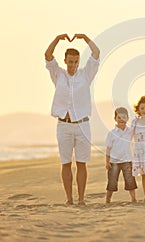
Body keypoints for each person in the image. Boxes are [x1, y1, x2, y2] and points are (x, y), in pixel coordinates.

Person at [45, 33, 100, 206]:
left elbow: (96, 53)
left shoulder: (86, 75)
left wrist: (85, 38)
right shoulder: (58, 75)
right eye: (70, 61)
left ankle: (81, 198)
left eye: (76, 61)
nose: (73, 65)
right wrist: (56, 39)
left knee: (82, 163)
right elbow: (47, 56)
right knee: (66, 163)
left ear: (78, 61)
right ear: (65, 60)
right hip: (64, 126)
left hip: (83, 125)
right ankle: (69, 199)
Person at [105, 107, 137, 204]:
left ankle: (133, 199)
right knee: (112, 181)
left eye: (124, 117)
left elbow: (136, 126)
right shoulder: (111, 133)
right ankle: (108, 199)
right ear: (115, 119)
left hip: (127, 160)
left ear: (127, 118)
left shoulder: (130, 131)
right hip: (114, 162)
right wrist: (107, 161)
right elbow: (108, 149)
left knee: (130, 180)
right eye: (119, 117)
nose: (121, 119)